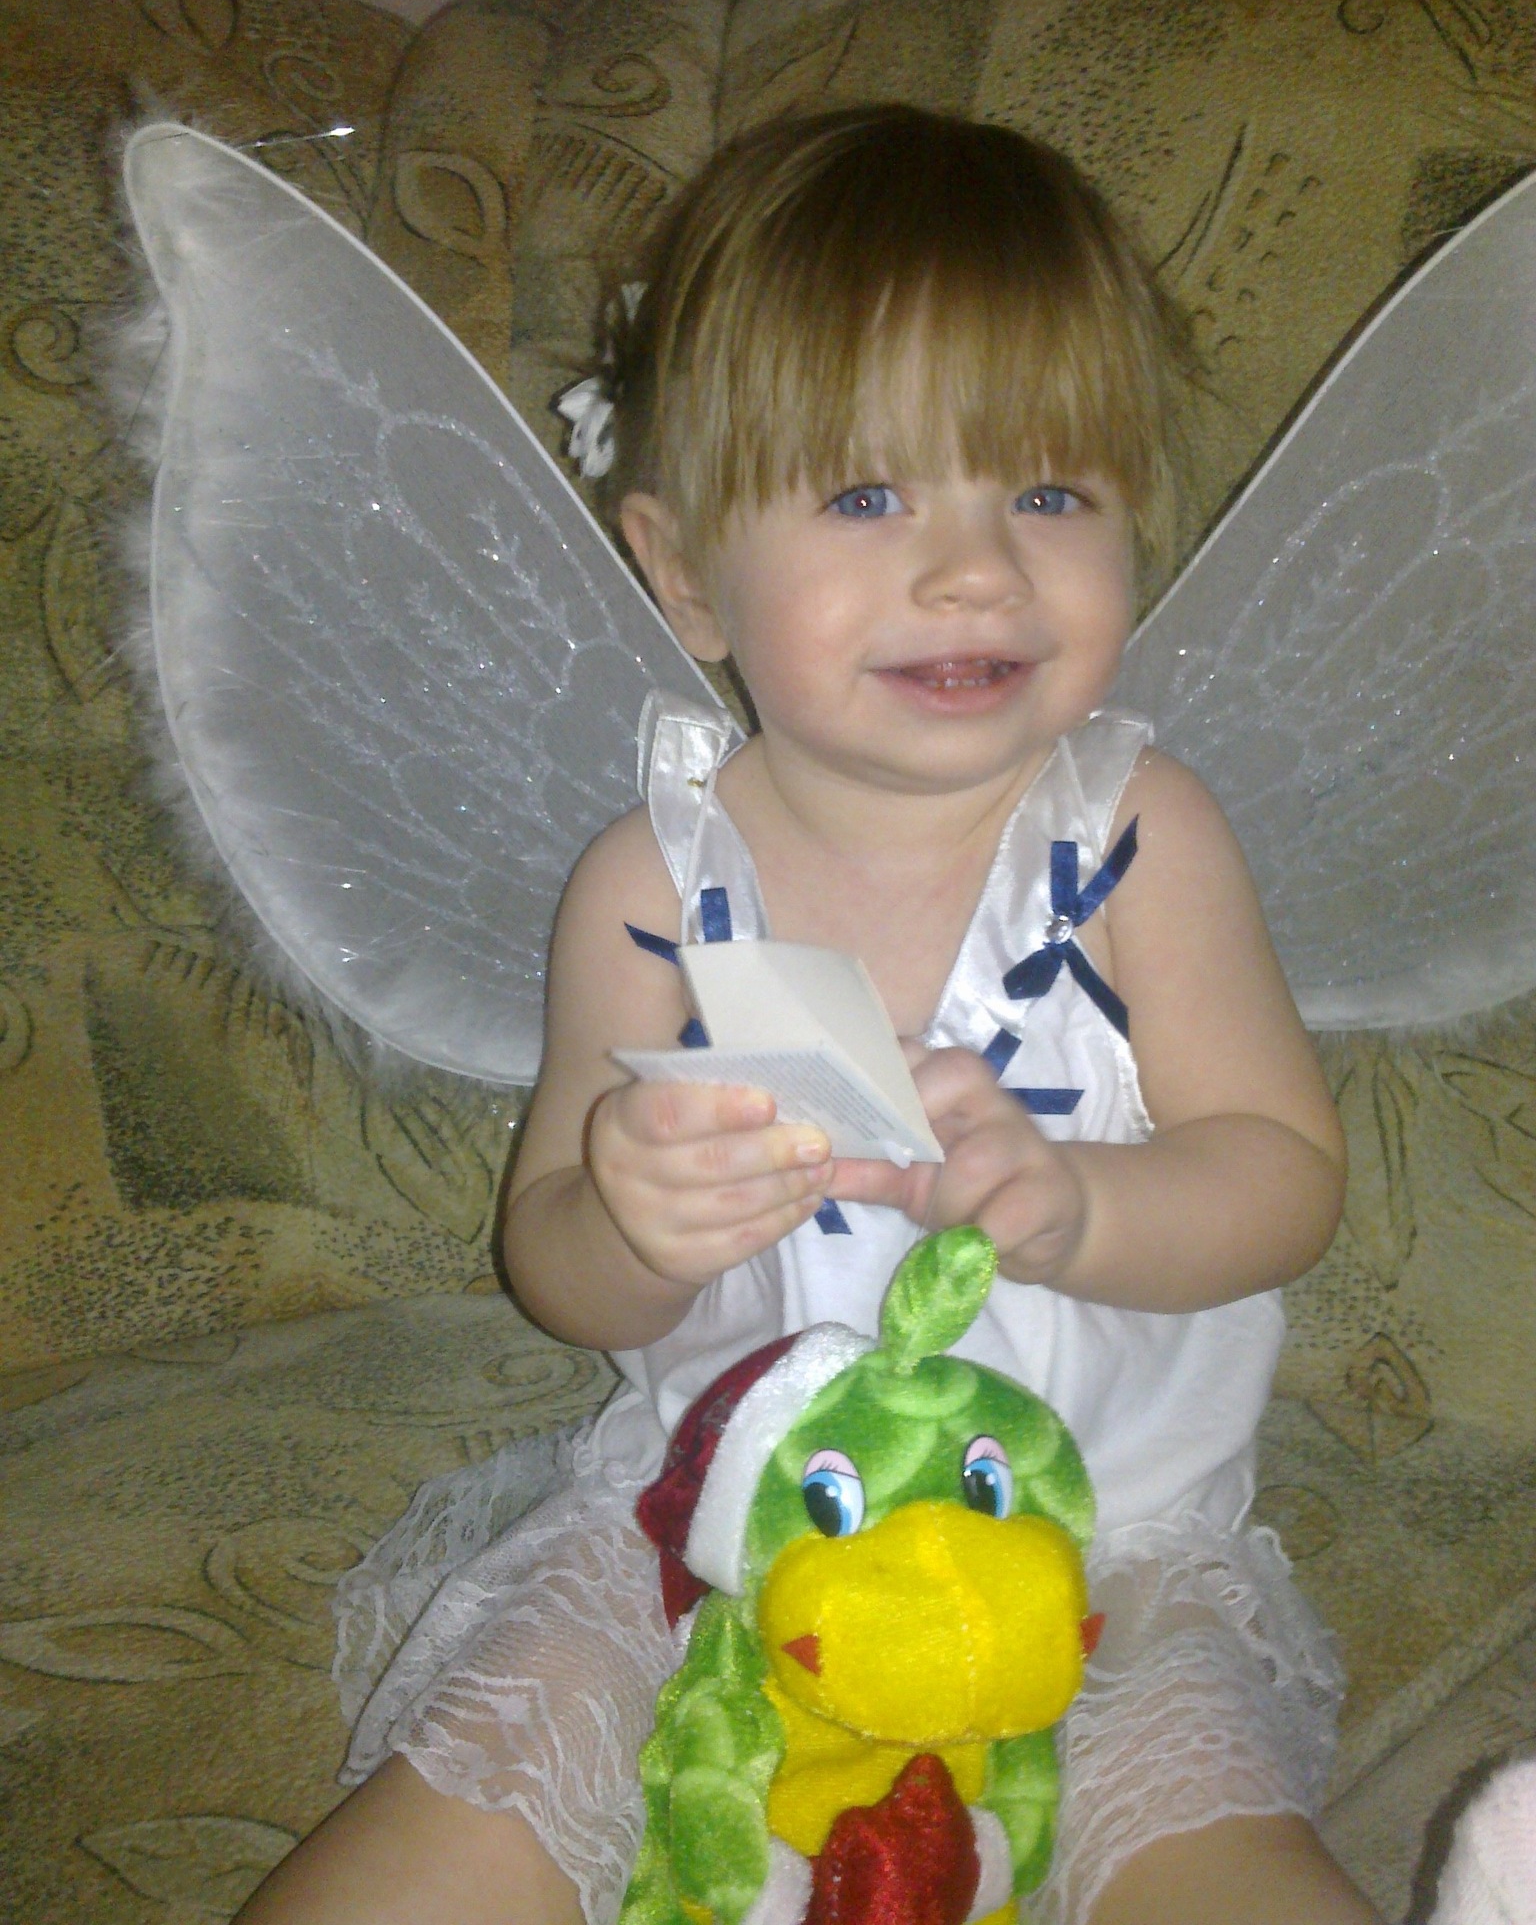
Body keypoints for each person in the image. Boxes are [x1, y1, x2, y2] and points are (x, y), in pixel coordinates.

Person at [236, 105, 1376, 1925]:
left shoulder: (1136, 842)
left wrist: (1087, 1206)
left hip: (1098, 1556)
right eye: (865, 496)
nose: (977, 569)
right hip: (706, 1532)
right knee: (455, 1826)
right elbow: (555, 1262)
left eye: (1050, 494)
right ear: (686, 574)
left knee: (1214, 1857)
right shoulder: (647, 883)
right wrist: (631, 1219)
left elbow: (1286, 1175)